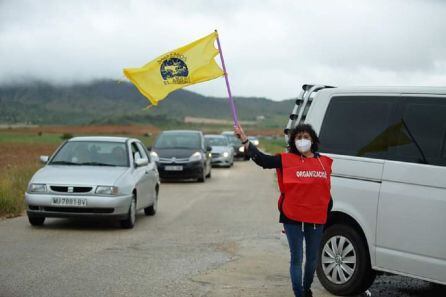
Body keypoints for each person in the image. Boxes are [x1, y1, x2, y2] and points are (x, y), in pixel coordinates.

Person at [234, 123, 333, 297]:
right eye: (298, 137)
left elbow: (325, 190)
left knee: (312, 260)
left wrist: (327, 208)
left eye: (306, 137)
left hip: (317, 217)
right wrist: (244, 139)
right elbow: (263, 160)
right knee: (297, 259)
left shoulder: (323, 162)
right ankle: (299, 294)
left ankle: (307, 287)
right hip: (292, 217)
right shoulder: (286, 160)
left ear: (313, 140)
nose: (302, 140)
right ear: (293, 141)